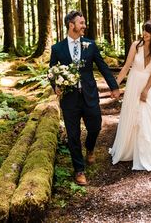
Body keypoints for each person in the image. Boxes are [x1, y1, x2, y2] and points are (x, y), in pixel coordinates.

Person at [50, 11, 120, 185]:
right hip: (69, 98)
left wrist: (114, 86)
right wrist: (55, 86)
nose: (84, 26)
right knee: (73, 135)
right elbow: (52, 72)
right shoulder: (57, 48)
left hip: (89, 94)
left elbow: (102, 66)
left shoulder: (90, 44)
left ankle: (90, 148)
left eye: (84, 22)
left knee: (95, 126)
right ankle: (79, 170)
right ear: (71, 25)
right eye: (81, 23)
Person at [109, 20, 151, 171]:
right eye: (144, 30)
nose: (145, 34)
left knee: (145, 117)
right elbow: (126, 67)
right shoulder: (136, 45)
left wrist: (146, 90)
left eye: (148, 31)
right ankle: (128, 150)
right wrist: (115, 86)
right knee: (131, 115)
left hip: (147, 86)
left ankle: (144, 153)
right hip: (133, 84)